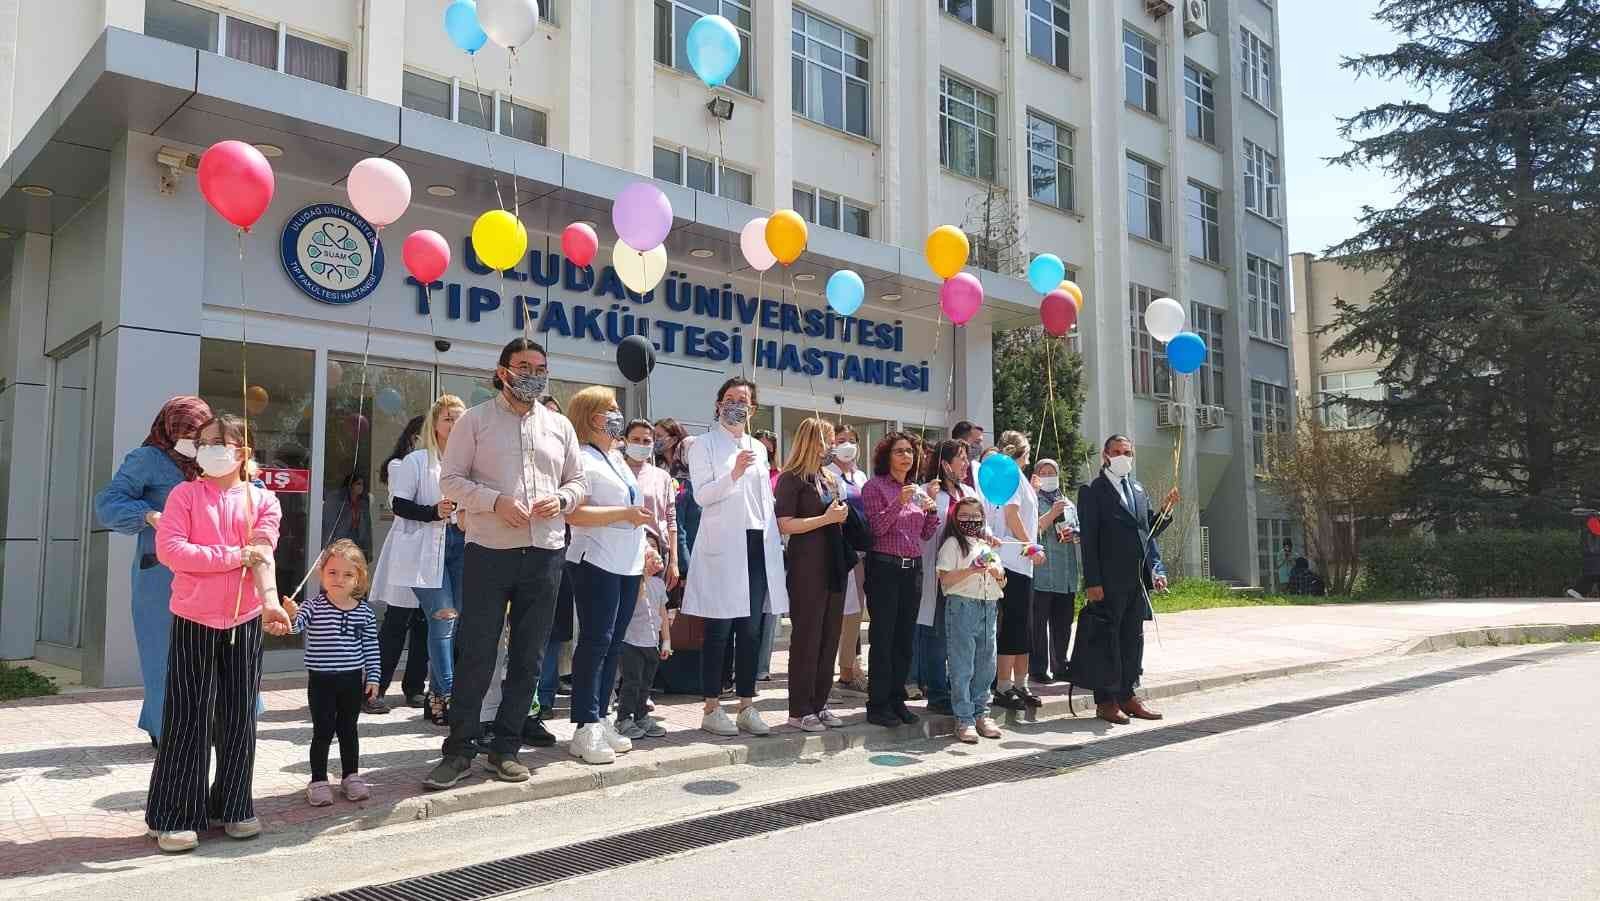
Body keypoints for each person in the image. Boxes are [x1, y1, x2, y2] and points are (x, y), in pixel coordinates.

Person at [424, 338, 587, 790]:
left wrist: (563, 498)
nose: (533, 373)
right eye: (524, 365)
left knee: (530, 656)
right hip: (489, 551)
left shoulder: (560, 426)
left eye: (541, 366)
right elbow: (450, 480)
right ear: (503, 371)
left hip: (545, 551)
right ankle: (459, 749)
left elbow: (578, 482)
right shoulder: (475, 421)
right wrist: (494, 501)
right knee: (477, 652)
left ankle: (506, 748)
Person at [145, 414, 286, 854]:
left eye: (222, 442)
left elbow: (262, 554)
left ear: (243, 452)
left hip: (243, 620)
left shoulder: (264, 500)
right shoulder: (184, 495)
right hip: (193, 618)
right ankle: (173, 814)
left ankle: (233, 805)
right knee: (187, 716)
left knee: (239, 716)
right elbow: (171, 551)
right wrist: (232, 556)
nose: (211, 448)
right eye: (205, 441)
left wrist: (270, 601)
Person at [93, 395, 213, 746]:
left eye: (201, 433)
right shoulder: (147, 459)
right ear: (170, 428)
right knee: (165, 651)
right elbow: (109, 503)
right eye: (188, 433)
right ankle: (168, 730)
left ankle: (211, 723)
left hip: (209, 568)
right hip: (160, 573)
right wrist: (149, 515)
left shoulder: (212, 456)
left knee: (208, 651)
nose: (195, 440)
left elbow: (246, 492)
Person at [681, 376, 789, 737]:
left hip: (757, 543)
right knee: (719, 628)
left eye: (743, 400)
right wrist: (734, 473)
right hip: (724, 547)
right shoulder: (704, 445)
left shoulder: (759, 447)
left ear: (753, 409)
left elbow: (763, 501)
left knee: (751, 629)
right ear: (718, 405)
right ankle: (711, 707)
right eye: (729, 399)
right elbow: (702, 496)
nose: (735, 405)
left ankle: (746, 704)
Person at [563, 386, 653, 765]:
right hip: (594, 559)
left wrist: (644, 541)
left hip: (628, 561)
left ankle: (601, 717)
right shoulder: (580, 458)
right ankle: (584, 725)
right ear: (590, 416)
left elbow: (632, 508)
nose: (617, 415)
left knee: (614, 645)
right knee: (595, 642)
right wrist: (623, 516)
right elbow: (573, 514)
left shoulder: (615, 457)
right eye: (610, 410)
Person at [1068, 434, 1178, 725]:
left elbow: (1146, 531)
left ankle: (1128, 694)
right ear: (1105, 455)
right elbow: (1089, 540)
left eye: (1127, 452)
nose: (1122, 457)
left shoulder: (1138, 489)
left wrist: (1166, 511)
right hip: (1107, 580)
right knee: (1108, 640)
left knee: (1132, 640)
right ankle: (1106, 701)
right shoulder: (1093, 490)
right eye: (1116, 452)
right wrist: (1092, 581)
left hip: (1136, 581)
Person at [372, 397, 467, 726]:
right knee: (442, 620)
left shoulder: (469, 463)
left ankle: (436, 699)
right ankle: (450, 695)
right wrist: (433, 512)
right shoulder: (415, 461)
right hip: (427, 546)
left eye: (460, 419)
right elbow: (400, 505)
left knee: (454, 624)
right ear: (435, 425)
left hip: (461, 545)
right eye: (448, 419)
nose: (454, 425)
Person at [271, 540, 380, 807]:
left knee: (348, 729)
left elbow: (371, 647)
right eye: (332, 572)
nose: (339, 579)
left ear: (359, 579)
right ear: (321, 574)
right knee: (323, 730)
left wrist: (374, 677)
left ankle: (351, 776)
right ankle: (318, 780)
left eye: (347, 574)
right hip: (321, 680)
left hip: (352, 680)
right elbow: (295, 629)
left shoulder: (364, 613)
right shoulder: (313, 606)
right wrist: (291, 616)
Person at [775, 417, 851, 732]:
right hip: (806, 565)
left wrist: (841, 518)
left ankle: (820, 703)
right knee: (807, 637)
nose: (832, 446)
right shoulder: (791, 479)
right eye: (828, 439)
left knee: (830, 635)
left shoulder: (830, 479)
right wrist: (825, 519)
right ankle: (799, 709)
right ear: (813, 440)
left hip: (834, 563)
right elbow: (785, 524)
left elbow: (836, 517)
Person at [861, 431, 941, 727]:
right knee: (883, 637)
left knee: (904, 638)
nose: (906, 456)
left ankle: (897, 699)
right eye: (899, 451)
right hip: (885, 568)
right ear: (887, 456)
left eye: (909, 451)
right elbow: (877, 528)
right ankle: (878, 703)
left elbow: (925, 533)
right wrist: (898, 502)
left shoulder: (916, 489)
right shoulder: (874, 487)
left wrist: (931, 509)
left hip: (913, 568)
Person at [370, 416, 430, 714]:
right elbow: (403, 505)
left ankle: (414, 687)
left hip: (432, 550)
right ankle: (375, 687)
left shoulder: (439, 464)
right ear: (413, 436)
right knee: (396, 621)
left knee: (423, 623)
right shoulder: (399, 465)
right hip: (408, 547)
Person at [937, 496, 1007, 743]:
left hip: (989, 606)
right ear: (955, 519)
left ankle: (982, 713)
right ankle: (964, 718)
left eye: (975, 516)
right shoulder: (952, 545)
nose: (970, 521)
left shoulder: (986, 546)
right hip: (962, 606)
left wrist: (999, 574)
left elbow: (1002, 581)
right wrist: (971, 569)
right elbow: (945, 579)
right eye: (964, 516)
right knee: (962, 664)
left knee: (986, 665)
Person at [915, 440, 977, 716]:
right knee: (936, 633)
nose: (966, 464)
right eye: (961, 458)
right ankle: (937, 692)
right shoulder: (928, 492)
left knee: (961, 633)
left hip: (964, 575)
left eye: (966, 458)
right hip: (938, 573)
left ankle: (958, 688)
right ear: (944, 463)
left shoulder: (967, 492)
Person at [990, 432, 1047, 712]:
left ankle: (1021, 682)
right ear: (1022, 454)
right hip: (1012, 560)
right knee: (1012, 624)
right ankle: (1002, 684)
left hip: (1021, 564)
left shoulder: (1020, 479)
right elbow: (1012, 517)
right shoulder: (1010, 476)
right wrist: (1031, 547)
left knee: (1024, 626)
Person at [825, 425, 870, 696]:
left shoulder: (861, 475)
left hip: (860, 552)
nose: (848, 445)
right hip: (838, 550)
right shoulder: (828, 475)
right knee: (837, 613)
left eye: (852, 440)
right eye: (841, 441)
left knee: (854, 613)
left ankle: (849, 670)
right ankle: (837, 670)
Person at [616, 534, 673, 739]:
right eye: (646, 549)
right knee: (631, 682)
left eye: (654, 548)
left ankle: (641, 716)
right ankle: (623, 718)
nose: (652, 553)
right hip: (631, 641)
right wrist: (640, 569)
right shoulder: (633, 581)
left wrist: (666, 640)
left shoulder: (658, 585)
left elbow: (662, 614)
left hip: (651, 642)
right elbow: (638, 595)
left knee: (645, 683)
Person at [1030, 457, 1081, 684]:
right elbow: (1030, 531)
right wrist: (1051, 514)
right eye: (1044, 472)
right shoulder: (1032, 500)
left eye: (1052, 472)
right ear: (1036, 476)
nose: (1049, 476)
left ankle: (1061, 665)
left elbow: (1079, 527)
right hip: (1041, 574)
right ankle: (1038, 669)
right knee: (1038, 625)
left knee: (1063, 624)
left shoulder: (1068, 502)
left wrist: (1076, 534)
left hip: (1066, 574)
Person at [323, 472, 373, 559]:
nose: (361, 487)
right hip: (341, 540)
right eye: (358, 484)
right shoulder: (339, 501)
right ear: (350, 485)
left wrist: (368, 549)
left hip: (358, 540)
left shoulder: (363, 503)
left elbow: (367, 527)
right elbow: (330, 523)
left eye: (362, 484)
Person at [1566, 508, 1600, 600]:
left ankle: (1577, 590)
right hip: (1594, 553)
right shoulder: (1592, 521)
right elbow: (1598, 532)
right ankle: (1577, 590)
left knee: (1593, 575)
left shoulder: (1590, 521)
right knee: (1593, 574)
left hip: (1593, 553)